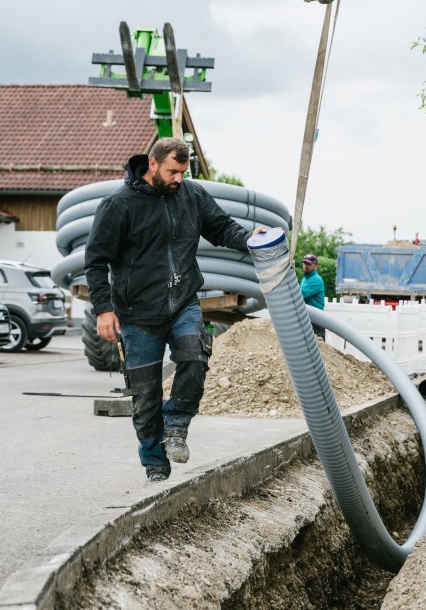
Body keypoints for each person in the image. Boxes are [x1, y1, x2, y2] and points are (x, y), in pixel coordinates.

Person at [84, 137, 263, 485]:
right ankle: (155, 464)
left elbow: (221, 227)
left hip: (182, 301)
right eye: (172, 171)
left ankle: (177, 424)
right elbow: (96, 260)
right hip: (137, 313)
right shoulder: (119, 205)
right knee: (145, 393)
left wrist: (249, 238)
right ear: (153, 165)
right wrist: (104, 309)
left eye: (183, 171)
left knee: (195, 357)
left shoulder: (191, 195)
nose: (179, 178)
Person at [300, 253, 326, 340]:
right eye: (305, 263)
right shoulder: (305, 279)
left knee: (318, 346)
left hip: (315, 320)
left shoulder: (316, 280)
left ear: (315, 266)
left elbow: (301, 294)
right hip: (308, 318)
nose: (306, 266)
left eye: (309, 264)